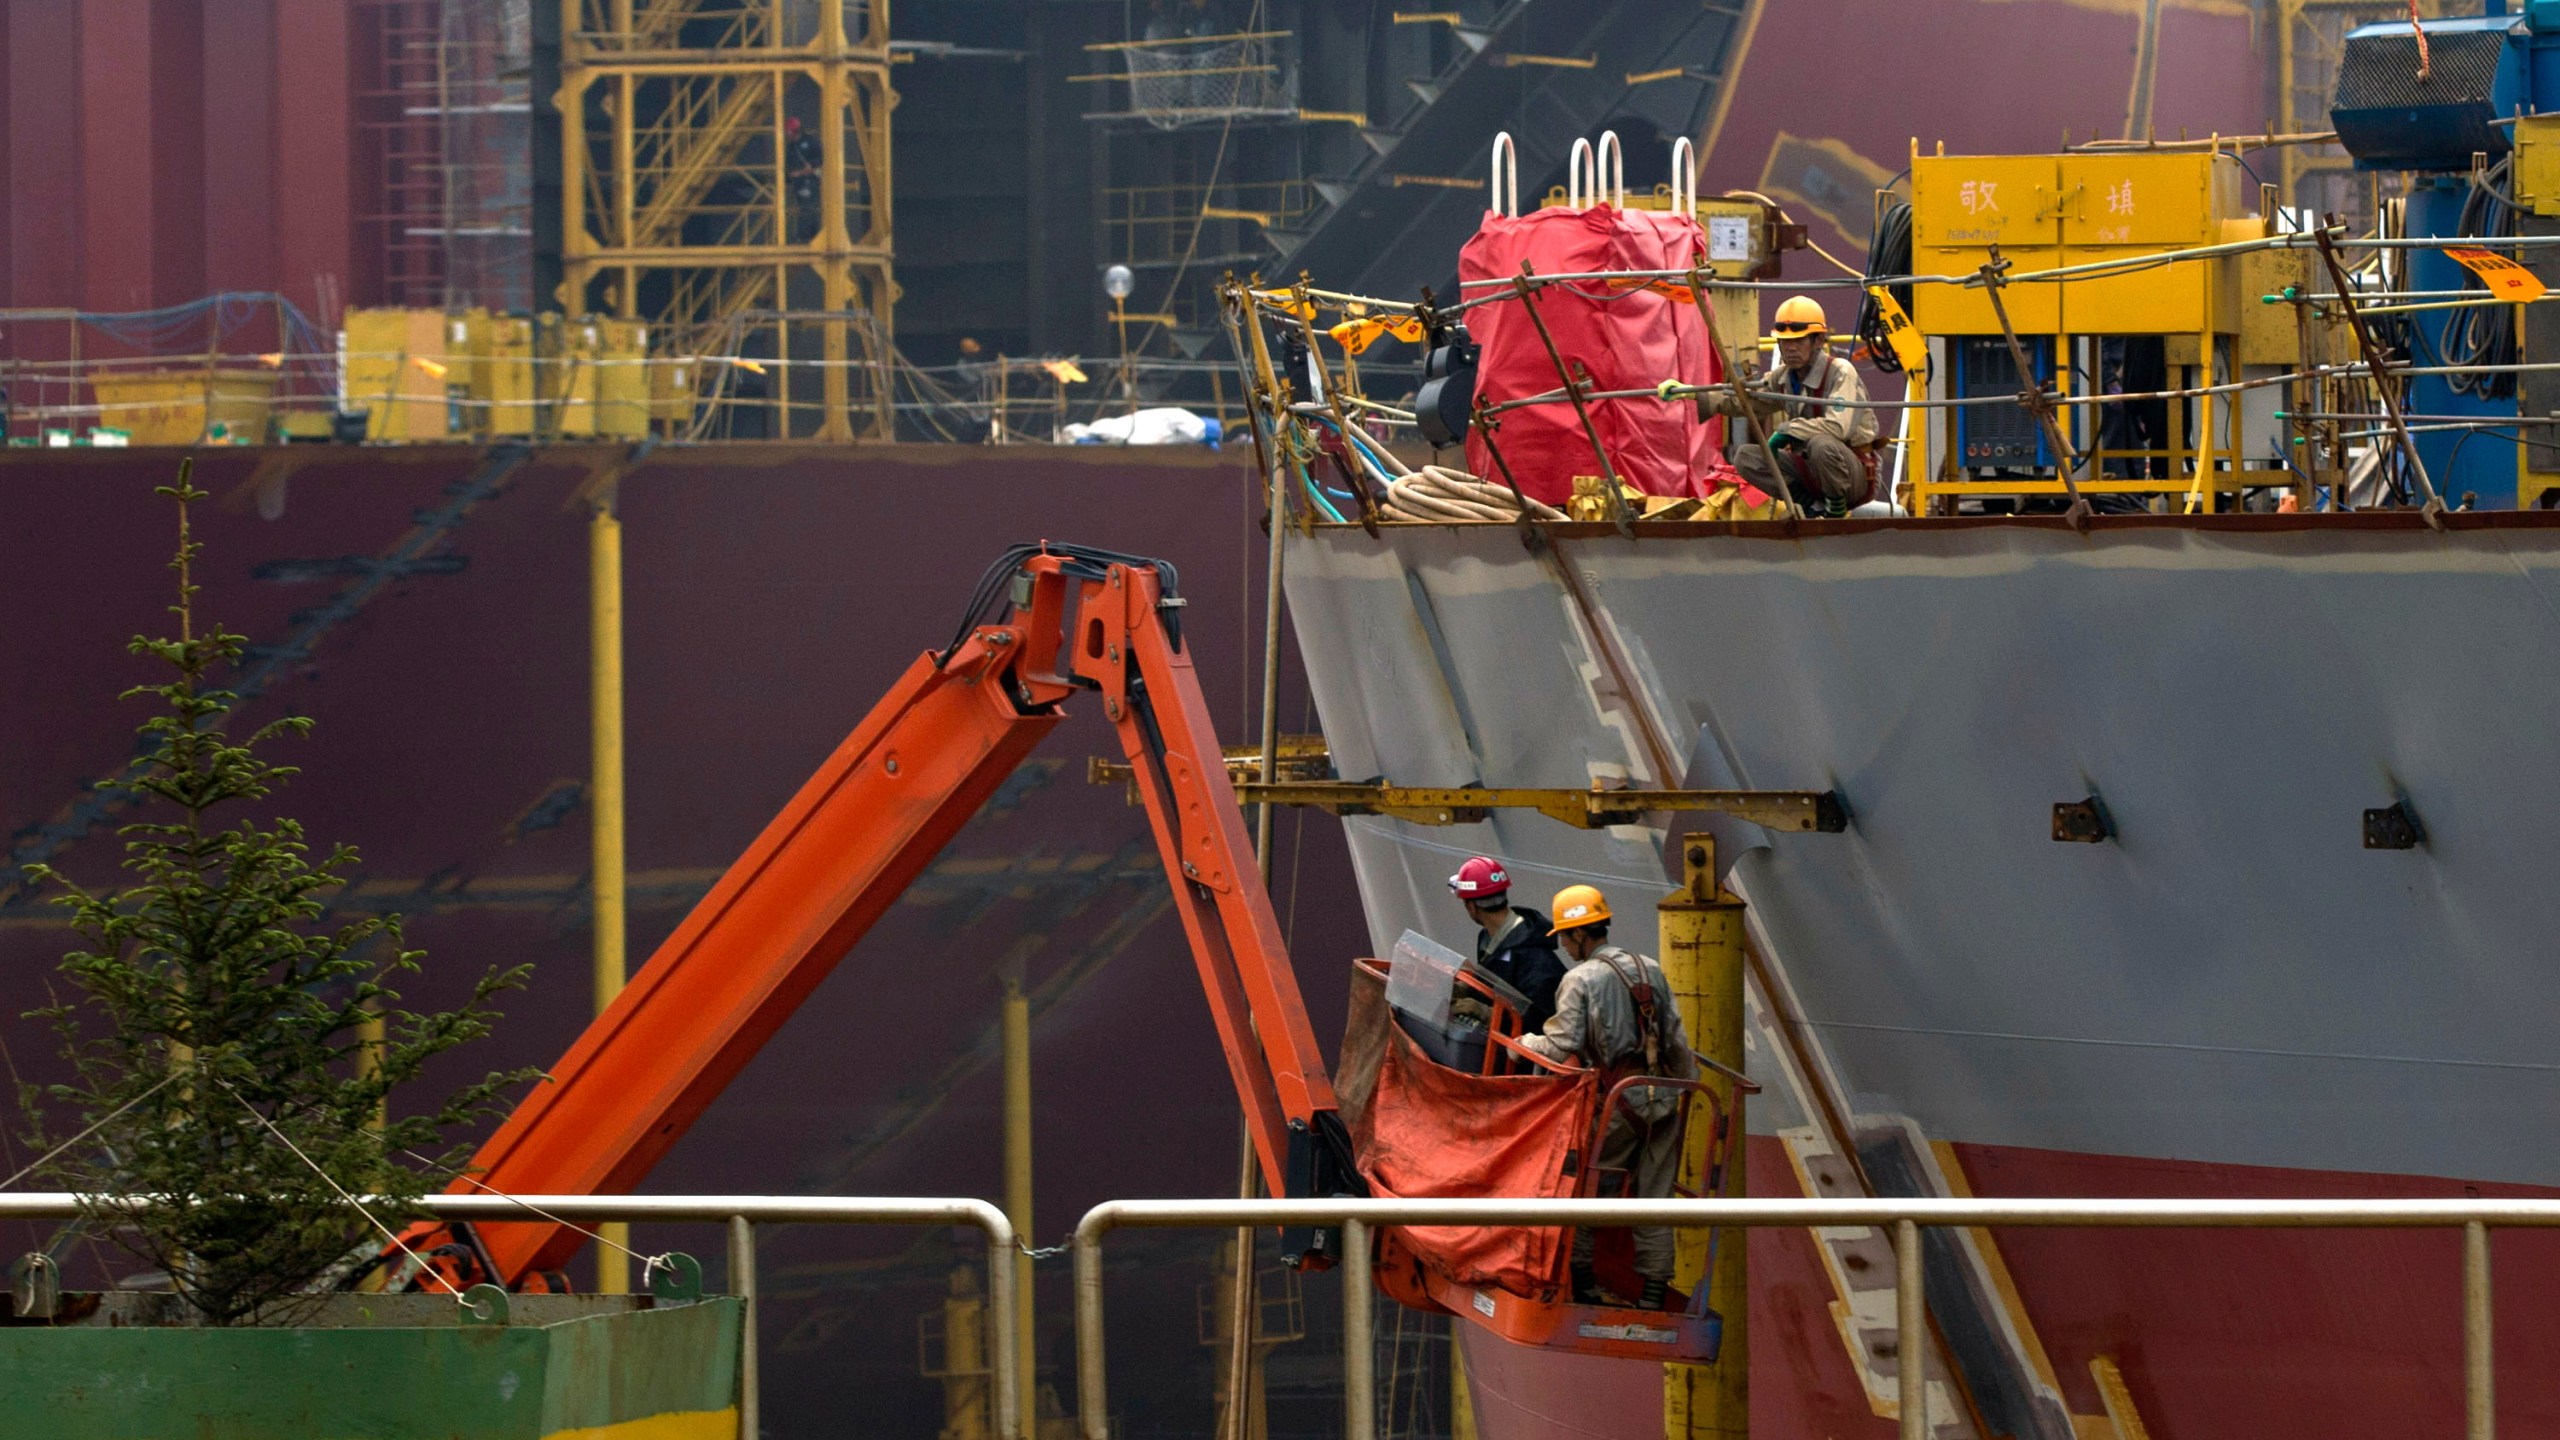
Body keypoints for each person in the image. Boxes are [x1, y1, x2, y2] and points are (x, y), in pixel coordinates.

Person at [1520, 884, 1699, 1309]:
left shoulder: (1579, 979)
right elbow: (1675, 1037)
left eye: (1565, 936)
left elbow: (1562, 1044)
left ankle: (1583, 1285)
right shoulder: (1649, 967)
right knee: (1654, 1200)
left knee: (1586, 1187)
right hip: (1663, 1097)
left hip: (1620, 1100)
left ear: (1582, 933)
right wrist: (1685, 1087)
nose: (1562, 945)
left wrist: (1522, 1042)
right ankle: (1653, 1296)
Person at [1698, 295, 1880, 517]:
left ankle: (1835, 512)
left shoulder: (1840, 371)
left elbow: (1839, 427)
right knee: (1746, 457)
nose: (1791, 348)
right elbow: (1746, 402)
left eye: (1799, 340)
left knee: (1821, 444)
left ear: (1818, 341)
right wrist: (1691, 394)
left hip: (1851, 473)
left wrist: (1788, 431)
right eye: (1785, 341)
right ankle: (1811, 506)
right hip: (1809, 470)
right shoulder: (1783, 378)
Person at [1446, 856, 1567, 1033]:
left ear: (1471, 906)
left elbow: (1546, 1022)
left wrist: (1487, 1014)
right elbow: (1497, 985)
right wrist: (1467, 990)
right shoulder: (1488, 938)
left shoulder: (1535, 958)